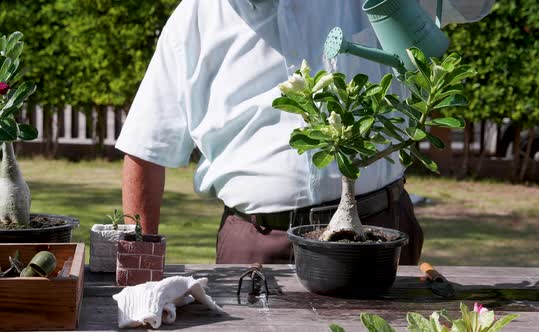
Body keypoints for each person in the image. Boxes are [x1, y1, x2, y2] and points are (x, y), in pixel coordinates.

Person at [116, 0, 493, 265]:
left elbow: (472, 6)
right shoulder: (191, 20)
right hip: (256, 245)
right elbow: (146, 149)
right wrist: (140, 263)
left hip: (379, 229)